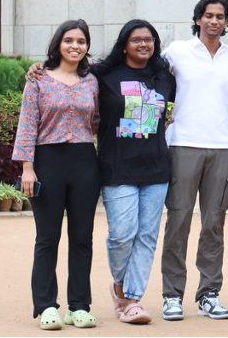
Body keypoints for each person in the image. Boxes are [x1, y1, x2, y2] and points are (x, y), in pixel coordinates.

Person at [13, 20, 101, 330]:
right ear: (58, 44)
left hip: (84, 162)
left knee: (82, 239)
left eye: (81, 41)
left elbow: (99, 122)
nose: (75, 46)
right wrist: (27, 167)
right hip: (47, 161)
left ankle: (78, 306)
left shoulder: (92, 82)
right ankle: (46, 306)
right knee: (47, 238)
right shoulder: (39, 79)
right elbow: (27, 124)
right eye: (69, 40)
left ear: (87, 46)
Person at [160, 0, 228, 321]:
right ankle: (171, 295)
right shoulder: (177, 51)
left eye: (220, 17)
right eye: (208, 15)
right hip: (182, 145)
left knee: (214, 224)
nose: (214, 21)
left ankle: (209, 293)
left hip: (222, 147)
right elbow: (144, 73)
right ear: (198, 19)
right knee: (178, 221)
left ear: (226, 22)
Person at [90, 20, 176, 325]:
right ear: (124, 44)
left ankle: (131, 299)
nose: (144, 44)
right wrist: (37, 68)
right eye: (137, 39)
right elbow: (66, 73)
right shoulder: (104, 75)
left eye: (149, 39)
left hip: (156, 167)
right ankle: (119, 286)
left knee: (148, 235)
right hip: (117, 167)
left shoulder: (164, 76)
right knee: (122, 234)